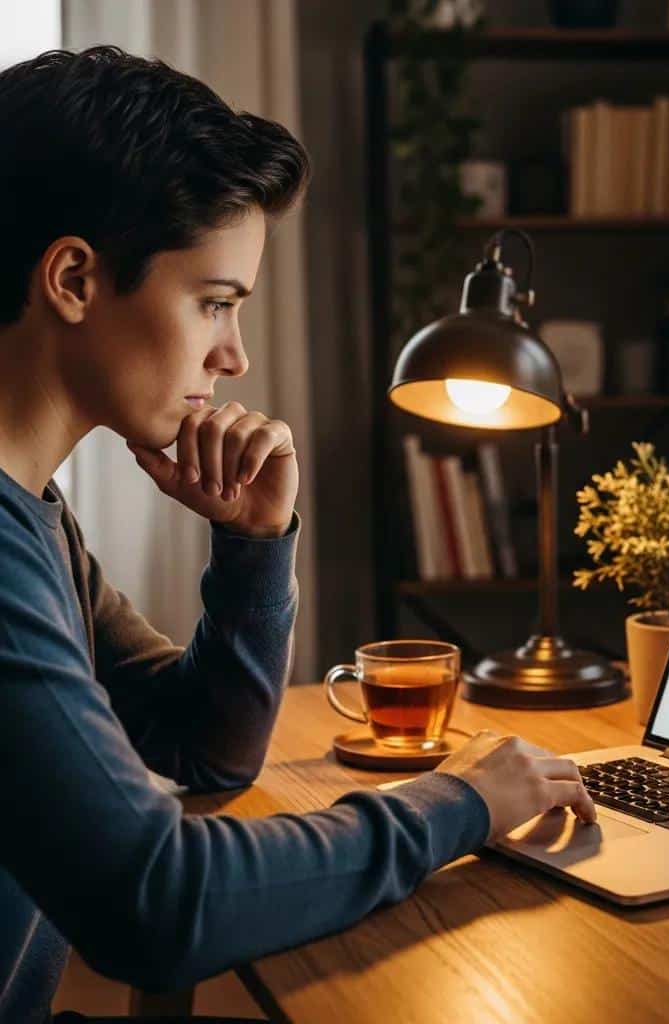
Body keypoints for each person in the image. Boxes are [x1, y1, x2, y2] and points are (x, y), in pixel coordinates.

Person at [0, 46, 596, 1024]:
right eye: (215, 304)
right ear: (73, 277)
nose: (232, 356)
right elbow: (159, 902)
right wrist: (462, 802)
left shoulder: (33, 513)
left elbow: (202, 752)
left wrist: (254, 543)